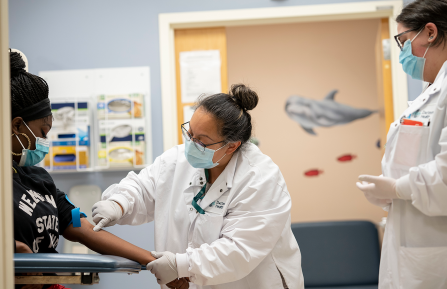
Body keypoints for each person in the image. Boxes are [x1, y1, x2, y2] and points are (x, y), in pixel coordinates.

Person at [92, 84, 304, 289]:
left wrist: (181, 265)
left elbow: (238, 252)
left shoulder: (260, 179)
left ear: (232, 145)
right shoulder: (176, 160)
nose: (191, 144)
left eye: (202, 141)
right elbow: (143, 187)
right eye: (190, 133)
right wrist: (118, 203)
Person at [9, 50, 180, 289]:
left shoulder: (39, 179)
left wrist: (152, 261)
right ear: (17, 125)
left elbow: (84, 229)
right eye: (43, 132)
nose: (45, 140)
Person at [355, 1, 447, 288]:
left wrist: (397, 188)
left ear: (430, 32)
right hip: (413, 248)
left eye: (405, 41)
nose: (403, 53)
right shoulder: (430, 93)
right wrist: (390, 190)